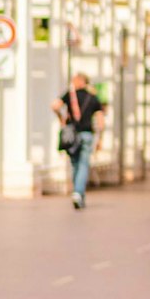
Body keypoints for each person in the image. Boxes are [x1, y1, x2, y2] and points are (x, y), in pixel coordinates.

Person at [50, 69, 106, 211]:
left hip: (72, 135)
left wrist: (61, 118)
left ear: (80, 81)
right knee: (83, 164)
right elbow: (100, 120)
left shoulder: (70, 95)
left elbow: (55, 105)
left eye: (74, 80)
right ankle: (78, 193)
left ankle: (77, 191)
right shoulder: (93, 98)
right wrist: (100, 139)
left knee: (75, 164)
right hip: (87, 134)